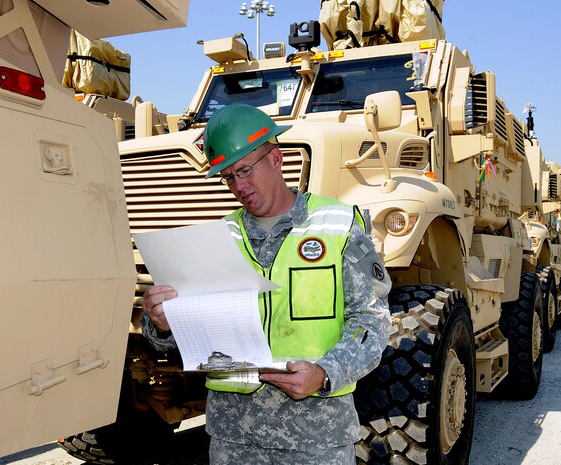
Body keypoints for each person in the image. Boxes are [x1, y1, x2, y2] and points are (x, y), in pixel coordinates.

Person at [141, 103, 391, 465]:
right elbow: (178, 335)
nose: (238, 187)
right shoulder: (217, 239)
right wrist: (162, 322)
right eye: (228, 177)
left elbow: (372, 320)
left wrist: (325, 372)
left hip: (316, 435)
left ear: (276, 159)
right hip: (233, 437)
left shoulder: (338, 224)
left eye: (244, 170)